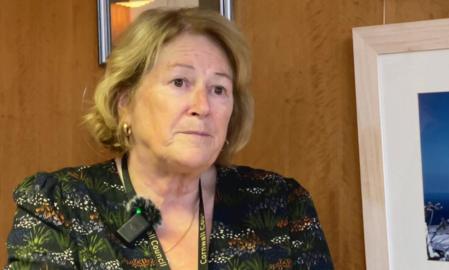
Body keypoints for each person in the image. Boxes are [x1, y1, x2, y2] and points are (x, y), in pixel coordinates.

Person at [5, 8, 333, 270]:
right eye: (179, 82)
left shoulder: (281, 206)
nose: (202, 107)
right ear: (125, 103)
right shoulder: (59, 206)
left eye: (218, 89)